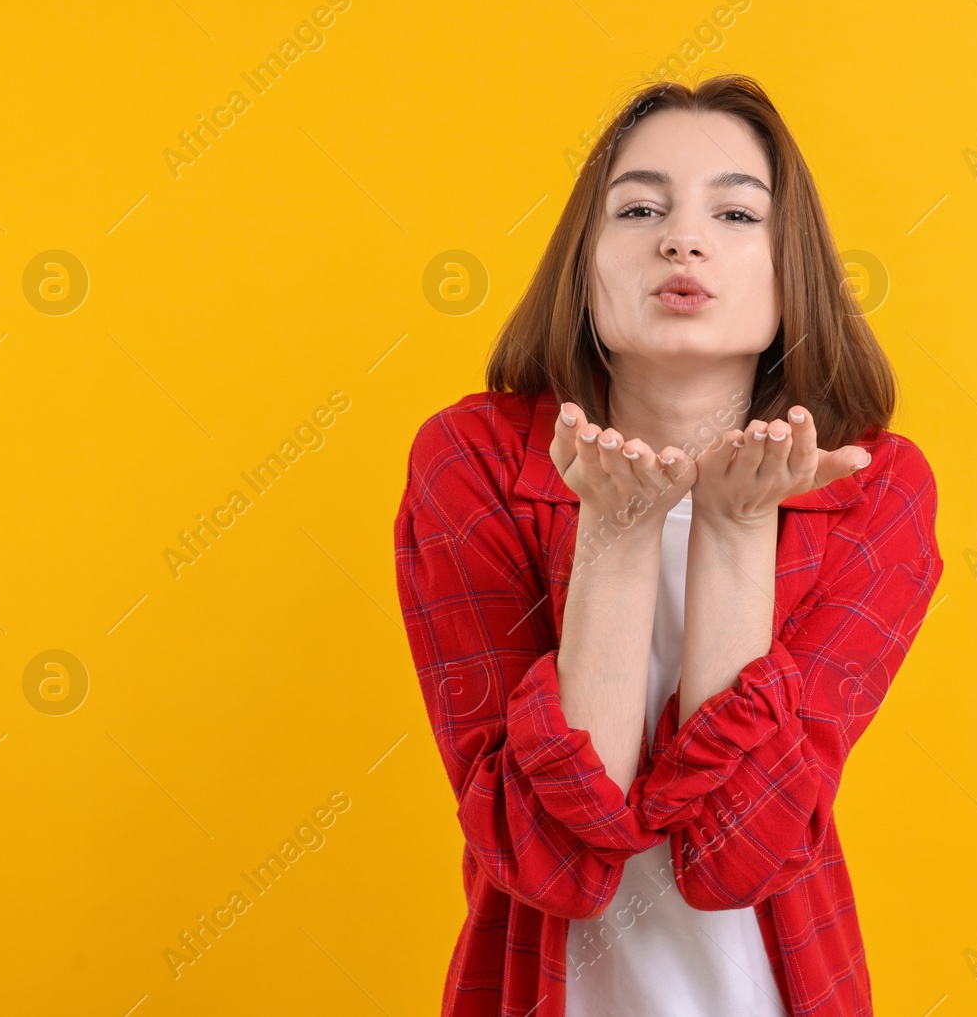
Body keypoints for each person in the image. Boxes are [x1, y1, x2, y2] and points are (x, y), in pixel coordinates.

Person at [394, 73, 944, 1017]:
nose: (681, 238)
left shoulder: (873, 487)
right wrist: (617, 530)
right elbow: (550, 861)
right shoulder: (472, 462)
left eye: (735, 213)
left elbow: (734, 857)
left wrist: (732, 529)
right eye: (639, 206)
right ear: (584, 262)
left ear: (792, 268)